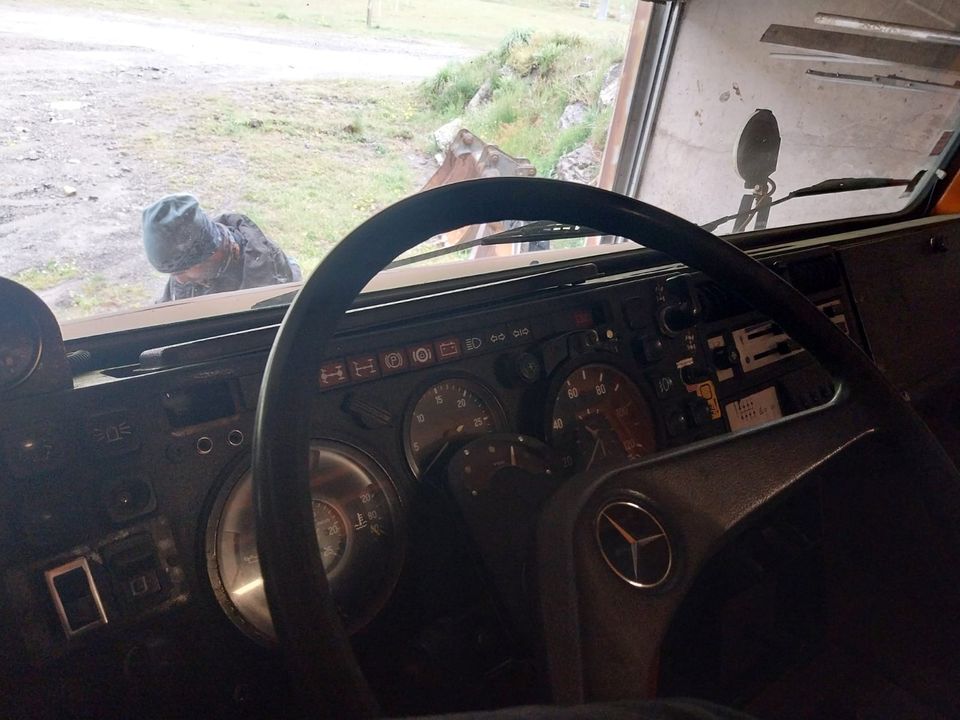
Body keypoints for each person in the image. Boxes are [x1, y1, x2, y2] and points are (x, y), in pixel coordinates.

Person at [142, 194, 302, 302]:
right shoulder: (191, 264)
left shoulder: (269, 281)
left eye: (181, 271)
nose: (179, 280)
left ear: (211, 252)